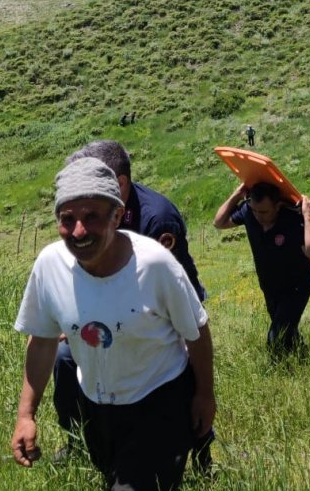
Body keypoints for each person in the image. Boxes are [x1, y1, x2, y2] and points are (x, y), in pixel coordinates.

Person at [11, 158, 216, 491]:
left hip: (158, 398)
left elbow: (196, 331)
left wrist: (204, 395)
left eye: (91, 217)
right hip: (99, 407)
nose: (79, 231)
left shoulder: (154, 265)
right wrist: (25, 414)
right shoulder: (50, 266)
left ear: (117, 215)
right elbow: (43, 340)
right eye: (67, 219)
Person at [51, 140, 213, 470]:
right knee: (64, 358)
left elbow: (170, 300)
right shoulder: (90, 214)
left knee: (173, 373)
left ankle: (200, 452)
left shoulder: (157, 219)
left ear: (120, 183)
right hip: (107, 316)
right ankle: (80, 440)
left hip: (165, 318)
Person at [213, 181, 310, 355]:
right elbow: (219, 222)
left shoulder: (292, 218)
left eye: (263, 211)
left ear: (278, 206)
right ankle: (303, 356)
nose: (258, 216)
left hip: (296, 286)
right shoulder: (248, 211)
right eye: (255, 210)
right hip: (270, 286)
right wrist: (237, 194)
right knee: (287, 331)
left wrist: (307, 216)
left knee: (275, 339)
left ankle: (282, 374)